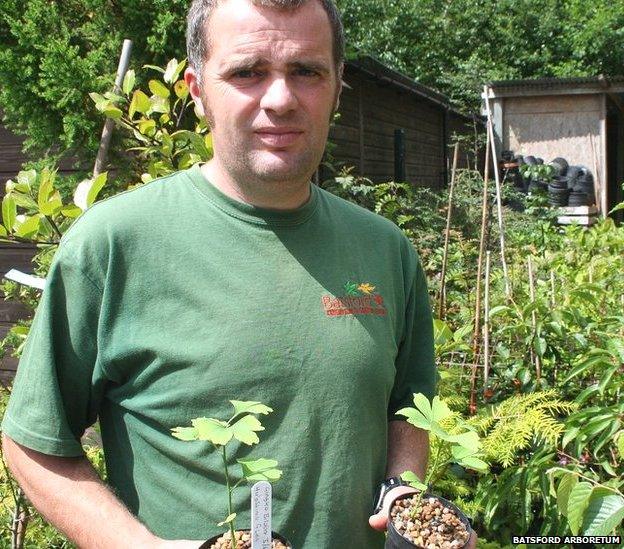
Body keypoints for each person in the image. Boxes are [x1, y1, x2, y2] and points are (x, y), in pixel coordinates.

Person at [1, 0, 472, 547]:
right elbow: (34, 443)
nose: (281, 99)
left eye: (307, 72)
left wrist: (403, 494)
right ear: (199, 91)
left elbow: (408, 409)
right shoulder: (113, 246)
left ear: (337, 87)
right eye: (248, 72)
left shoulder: (384, 250)